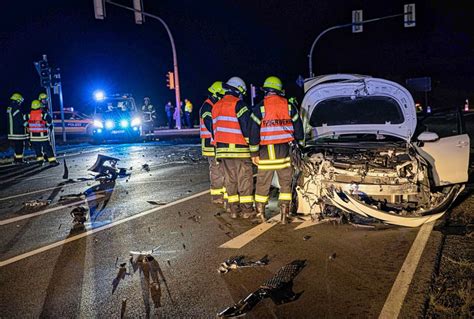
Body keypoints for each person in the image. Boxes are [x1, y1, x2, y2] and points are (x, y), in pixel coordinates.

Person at [249, 76, 304, 223]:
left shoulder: (259, 108)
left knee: (262, 183)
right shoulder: (289, 106)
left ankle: (260, 213)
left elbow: (253, 132)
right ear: (280, 91)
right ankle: (284, 214)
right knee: (285, 183)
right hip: (285, 151)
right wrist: (300, 145)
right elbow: (299, 129)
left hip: (266, 152)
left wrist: (254, 153)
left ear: (266, 91)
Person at [212, 76, 253, 218]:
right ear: (239, 90)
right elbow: (246, 127)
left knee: (230, 180)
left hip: (222, 150)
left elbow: (215, 129)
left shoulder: (216, 106)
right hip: (240, 149)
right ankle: (247, 211)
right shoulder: (239, 104)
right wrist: (253, 147)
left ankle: (234, 210)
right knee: (244, 179)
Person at [200, 81, 226, 204]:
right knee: (216, 169)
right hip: (210, 144)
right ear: (216, 94)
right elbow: (210, 124)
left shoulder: (215, 105)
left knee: (223, 168)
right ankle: (217, 196)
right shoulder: (207, 107)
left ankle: (226, 193)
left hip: (217, 142)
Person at [25, 100, 58, 165]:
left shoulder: (28, 114)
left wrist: (27, 125)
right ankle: (52, 161)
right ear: (39, 106)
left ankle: (40, 161)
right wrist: (47, 125)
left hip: (33, 137)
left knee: (37, 150)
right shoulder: (42, 113)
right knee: (48, 149)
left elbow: (23, 120)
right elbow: (50, 120)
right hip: (43, 136)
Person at [6, 93, 28, 163]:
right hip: (18, 132)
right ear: (17, 100)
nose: (20, 102)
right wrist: (26, 124)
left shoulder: (9, 108)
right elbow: (19, 119)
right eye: (20, 101)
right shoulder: (17, 108)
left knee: (16, 147)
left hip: (11, 131)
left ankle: (16, 159)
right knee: (20, 146)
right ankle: (19, 160)